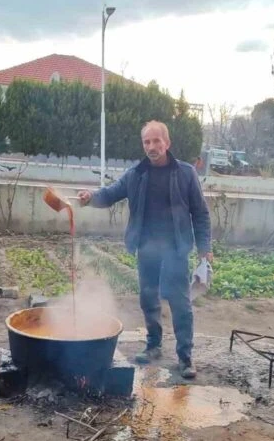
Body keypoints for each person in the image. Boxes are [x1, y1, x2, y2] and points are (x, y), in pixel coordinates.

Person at [78, 120, 212, 379]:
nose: (151, 146)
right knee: (148, 298)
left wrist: (205, 247)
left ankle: (185, 357)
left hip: (175, 248)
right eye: (147, 142)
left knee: (180, 303)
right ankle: (153, 345)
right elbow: (110, 193)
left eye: (156, 141)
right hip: (147, 248)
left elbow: (201, 213)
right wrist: (90, 197)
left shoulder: (185, 173)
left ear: (167, 143)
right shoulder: (136, 174)